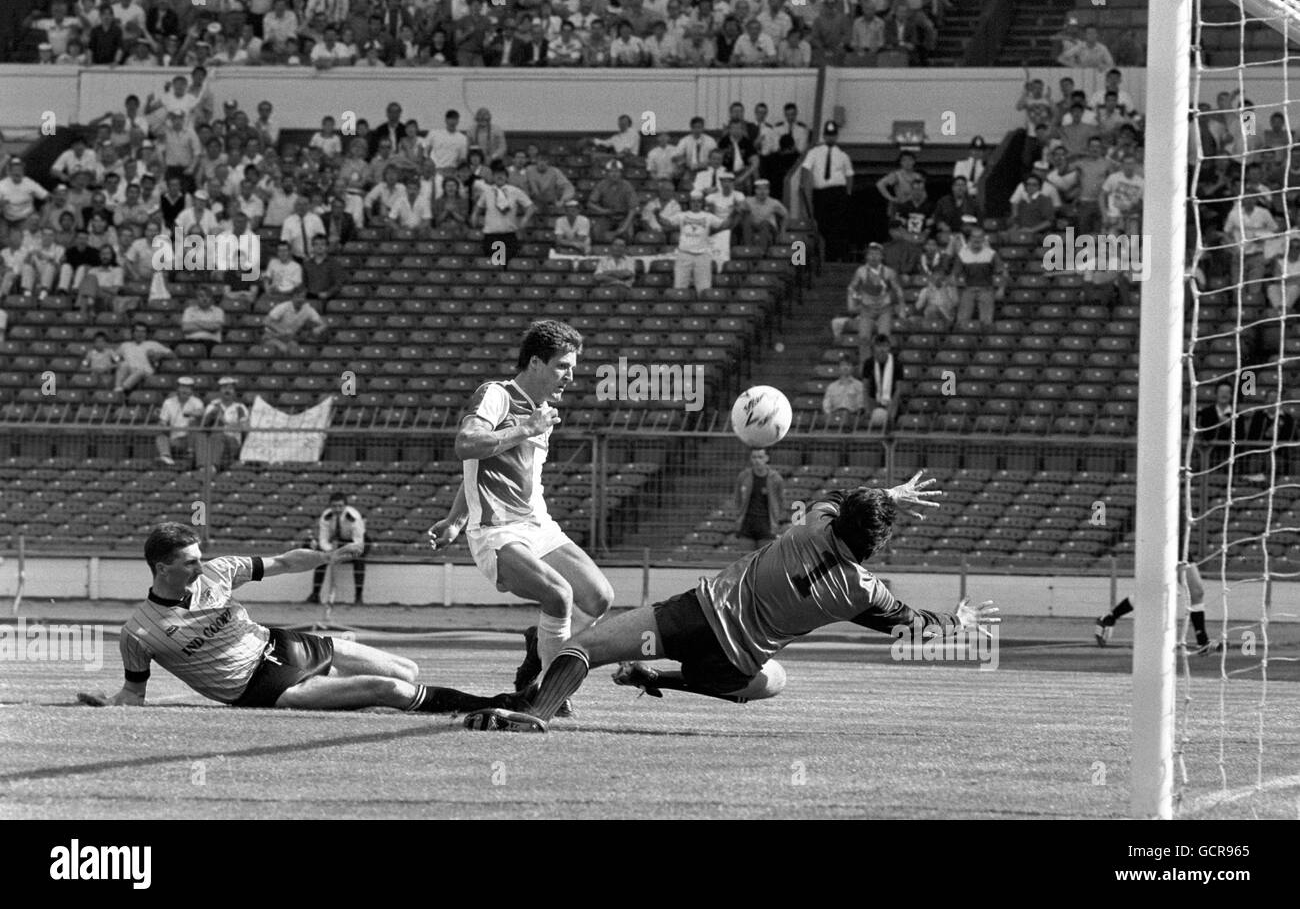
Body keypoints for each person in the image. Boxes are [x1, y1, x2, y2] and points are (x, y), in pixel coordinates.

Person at [463, 474, 1000, 732]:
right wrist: (962, 622)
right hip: (729, 666)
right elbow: (915, 627)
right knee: (776, 681)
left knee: (584, 647)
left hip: (692, 617)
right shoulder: (863, 594)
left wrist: (890, 495)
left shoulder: (812, 523)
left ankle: (537, 712)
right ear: (876, 545)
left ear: (840, 518)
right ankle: (661, 680)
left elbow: (840, 495)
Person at [80, 522, 513, 714]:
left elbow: (285, 562)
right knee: (391, 689)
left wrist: (328, 556)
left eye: (199, 558)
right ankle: (501, 706)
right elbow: (133, 696)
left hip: (284, 644)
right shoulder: (139, 632)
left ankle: (347, 698)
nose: (201, 566)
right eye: (190, 562)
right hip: (262, 686)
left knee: (408, 669)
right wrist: (108, 703)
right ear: (161, 569)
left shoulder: (220, 570)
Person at [428, 321, 615, 712]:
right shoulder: (496, 395)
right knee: (559, 596)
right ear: (535, 362)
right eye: (563, 366)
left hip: (537, 525)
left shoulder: (542, 412)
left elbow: (482, 467)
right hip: (497, 531)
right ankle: (548, 696)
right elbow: (467, 445)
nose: (571, 375)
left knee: (598, 598)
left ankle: (538, 647)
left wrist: (453, 518)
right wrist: (463, 522)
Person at [1095, 562, 1215, 654]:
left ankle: (1202, 642)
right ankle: (1110, 618)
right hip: (1160, 539)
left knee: (1197, 592)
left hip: (1179, 538)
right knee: (1155, 591)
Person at [803, 121, 854, 262]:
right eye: (827, 135)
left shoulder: (843, 155)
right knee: (821, 224)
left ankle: (835, 256)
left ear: (836, 136)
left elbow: (849, 175)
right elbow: (806, 169)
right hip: (821, 193)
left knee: (837, 225)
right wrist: (806, 189)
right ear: (824, 136)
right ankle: (822, 256)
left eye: (833, 135)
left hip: (838, 192)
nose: (830, 138)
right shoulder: (814, 152)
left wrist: (847, 194)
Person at [308, 491, 368, 605]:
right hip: (335, 542)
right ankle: (315, 594)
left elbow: (358, 541)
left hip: (355, 542)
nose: (337, 509)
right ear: (330, 506)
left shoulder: (353, 517)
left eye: (340, 506)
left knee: (359, 559)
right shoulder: (326, 516)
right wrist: (330, 552)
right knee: (320, 558)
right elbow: (323, 539)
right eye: (334, 506)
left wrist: (343, 552)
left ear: (345, 506)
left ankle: (358, 596)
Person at [734, 448, 787, 551]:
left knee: (764, 561)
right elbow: (737, 499)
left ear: (767, 458)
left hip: (766, 525)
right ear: (750, 459)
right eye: (754, 457)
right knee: (746, 560)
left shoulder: (776, 478)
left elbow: (781, 501)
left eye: (760, 457)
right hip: (746, 524)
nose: (757, 460)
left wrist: (777, 520)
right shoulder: (743, 476)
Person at [156, 376, 206, 467]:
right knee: (161, 436)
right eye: (182, 387)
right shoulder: (168, 402)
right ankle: (166, 456)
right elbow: (163, 420)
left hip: (190, 438)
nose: (185, 390)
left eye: (188, 388)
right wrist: (162, 424)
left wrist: (191, 413)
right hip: (175, 439)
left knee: (193, 423)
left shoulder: (197, 401)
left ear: (192, 390)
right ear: (177, 389)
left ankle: (190, 452)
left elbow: (200, 412)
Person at [863, 335, 900, 430]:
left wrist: (891, 412)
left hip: (891, 402)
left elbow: (898, 389)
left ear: (889, 347)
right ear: (874, 348)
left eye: (884, 346)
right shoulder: (868, 363)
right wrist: (868, 409)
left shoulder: (897, 364)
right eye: (879, 346)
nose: (882, 349)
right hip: (873, 401)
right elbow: (865, 388)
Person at [822, 355, 865, 419]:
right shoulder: (831, 387)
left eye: (848, 365)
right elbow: (826, 406)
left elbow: (860, 406)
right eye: (842, 365)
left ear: (852, 367)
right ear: (839, 368)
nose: (845, 367)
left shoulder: (859, 385)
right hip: (835, 417)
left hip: (852, 418)